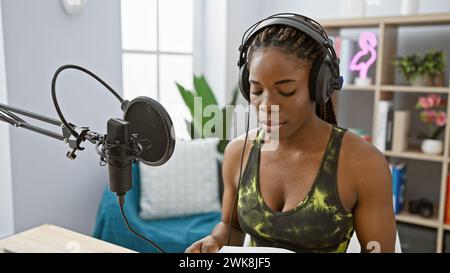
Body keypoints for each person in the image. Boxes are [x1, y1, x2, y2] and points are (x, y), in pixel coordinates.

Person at [185, 14, 396, 253]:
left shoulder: (364, 164)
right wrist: (216, 241)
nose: (267, 105)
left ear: (320, 86)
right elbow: (231, 226)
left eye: (286, 90)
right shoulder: (238, 153)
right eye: (256, 90)